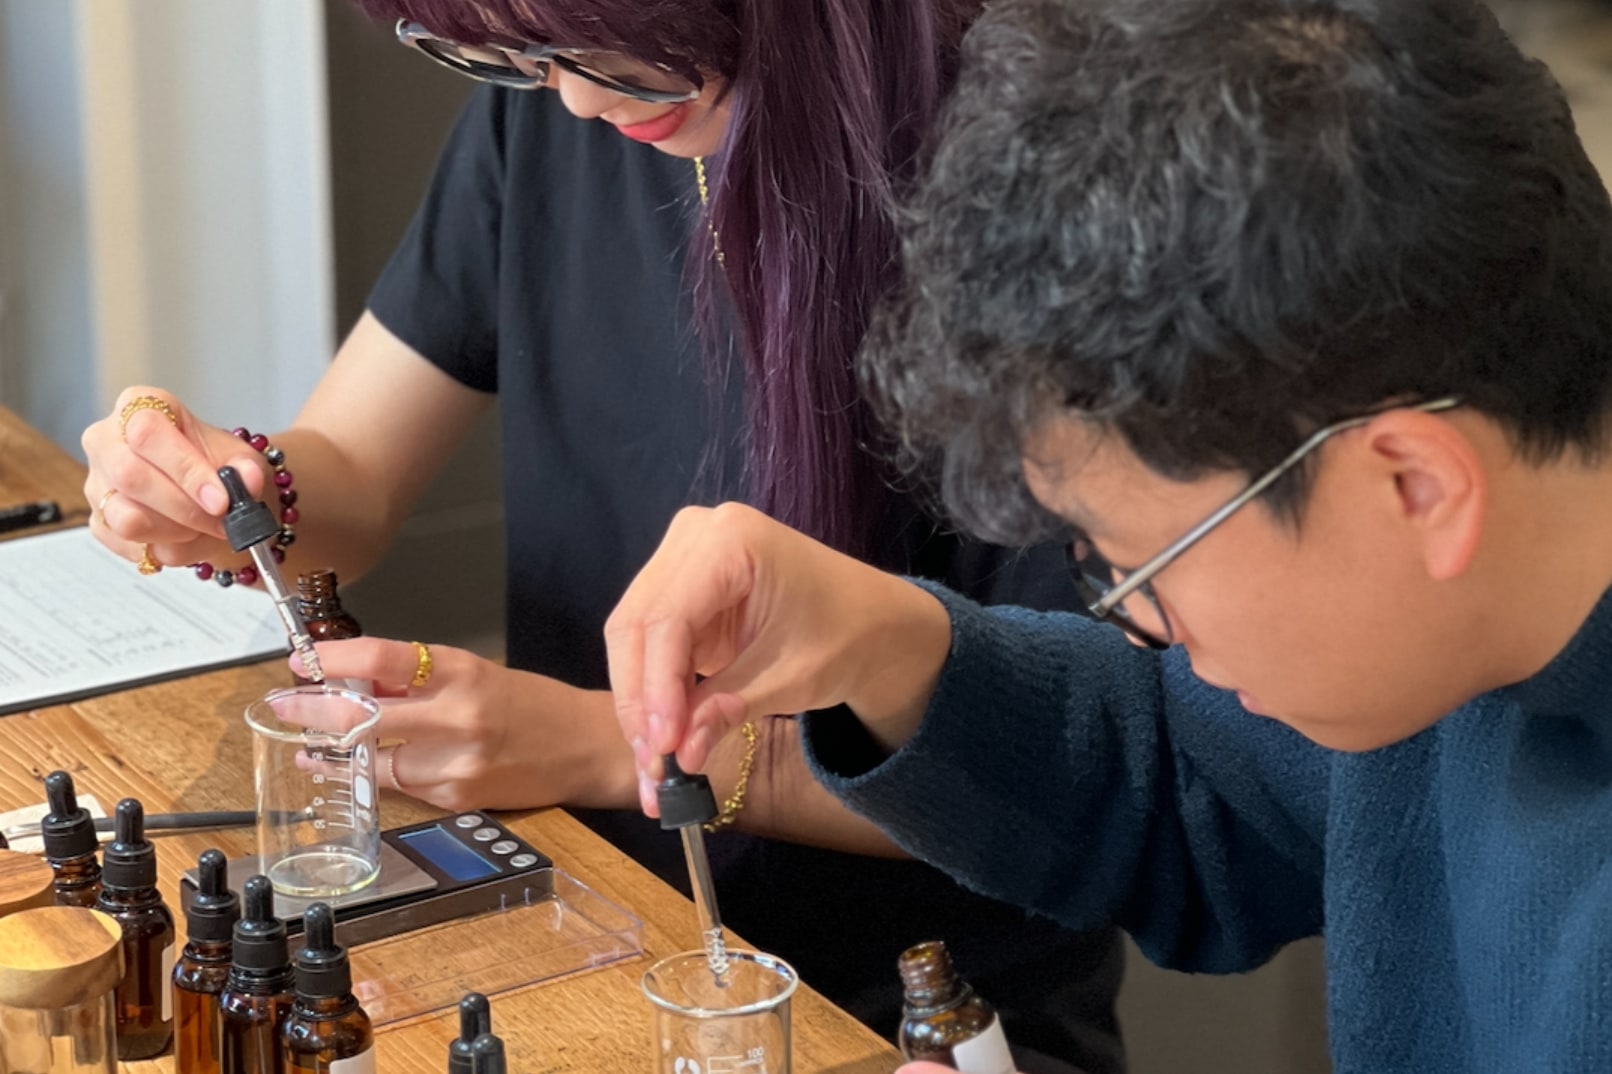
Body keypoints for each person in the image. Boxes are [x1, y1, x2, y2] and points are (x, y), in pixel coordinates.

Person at [79, 2, 1125, 1070]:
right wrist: (232, 490)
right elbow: (355, 466)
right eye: (524, 51)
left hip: (909, 1011)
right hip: (595, 921)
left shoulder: (1042, 174)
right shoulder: (555, 100)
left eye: (597, 43)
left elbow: (1081, 765)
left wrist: (595, 745)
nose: (576, 97)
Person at [602, 0, 1612, 1071]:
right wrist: (877, 642)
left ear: (1413, 486)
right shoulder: (1435, 630)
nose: (1141, 623)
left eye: (1146, 566)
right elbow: (1202, 780)